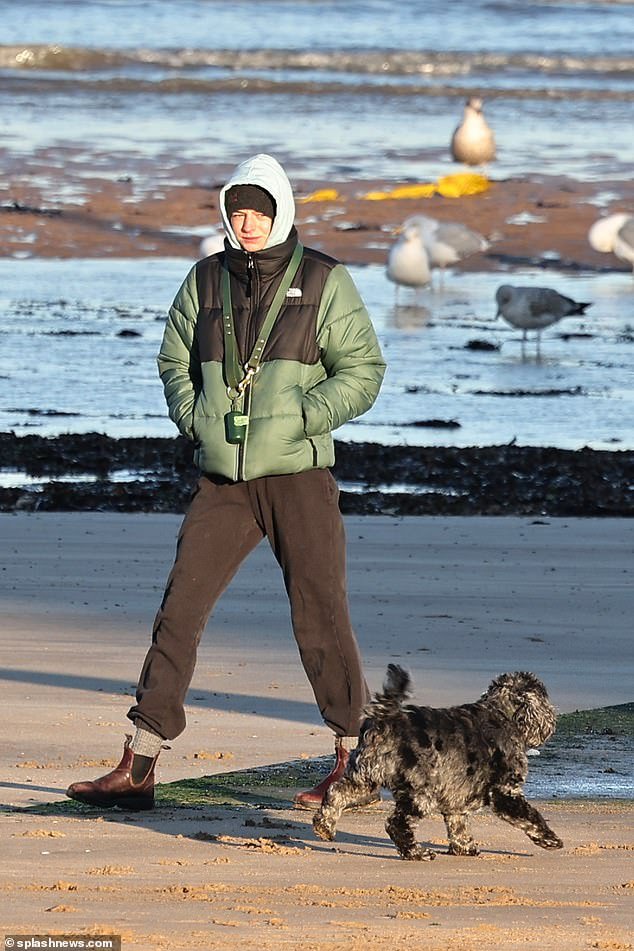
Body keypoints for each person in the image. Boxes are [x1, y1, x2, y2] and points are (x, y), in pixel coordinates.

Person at [66, 153, 386, 812]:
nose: (246, 224)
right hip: (223, 479)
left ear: (280, 212)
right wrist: (198, 419)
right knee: (179, 612)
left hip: (298, 473)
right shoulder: (204, 280)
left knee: (320, 616)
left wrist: (305, 414)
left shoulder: (324, 279)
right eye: (237, 212)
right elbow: (172, 360)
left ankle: (352, 761)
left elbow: (364, 370)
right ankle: (140, 764)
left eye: (258, 212)